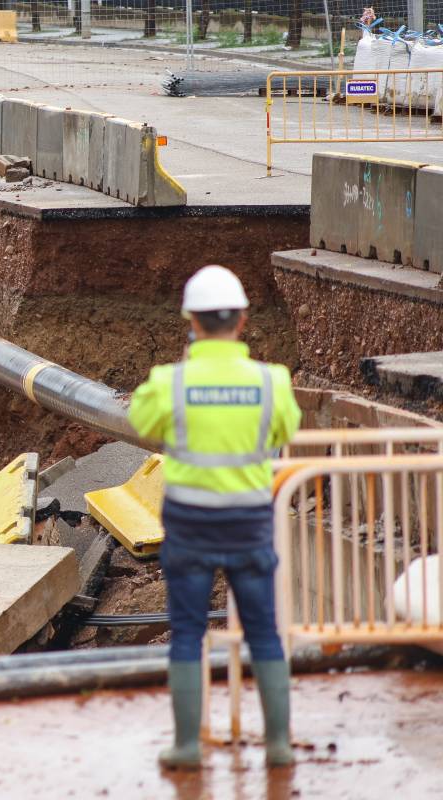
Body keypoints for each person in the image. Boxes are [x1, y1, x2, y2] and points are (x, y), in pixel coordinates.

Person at [128, 265, 301, 770]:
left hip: (190, 526)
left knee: (186, 633)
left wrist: (185, 369)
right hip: (249, 523)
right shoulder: (272, 382)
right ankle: (278, 745)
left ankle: (186, 746)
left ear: (192, 323)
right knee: (265, 633)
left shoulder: (170, 382)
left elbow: (141, 420)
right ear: (242, 321)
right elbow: (283, 431)